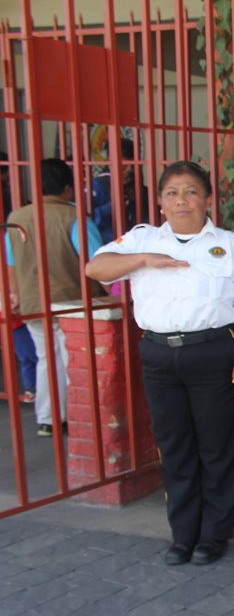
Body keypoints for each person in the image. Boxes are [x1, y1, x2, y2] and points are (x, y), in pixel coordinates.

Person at [84, 161, 234, 565]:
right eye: (171, 192)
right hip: (158, 355)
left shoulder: (229, 243)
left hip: (212, 352)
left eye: (190, 191)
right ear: (160, 201)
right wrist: (144, 260)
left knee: (216, 447)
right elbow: (96, 268)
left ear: (207, 199)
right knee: (174, 447)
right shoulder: (141, 239)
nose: (181, 200)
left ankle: (214, 535)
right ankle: (183, 535)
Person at [5, 158, 104, 437]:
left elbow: (11, 265)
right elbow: (97, 263)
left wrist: (16, 296)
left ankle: (48, 417)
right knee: (70, 359)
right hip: (71, 302)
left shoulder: (16, 218)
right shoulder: (74, 218)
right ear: (68, 189)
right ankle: (75, 416)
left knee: (45, 357)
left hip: (32, 303)